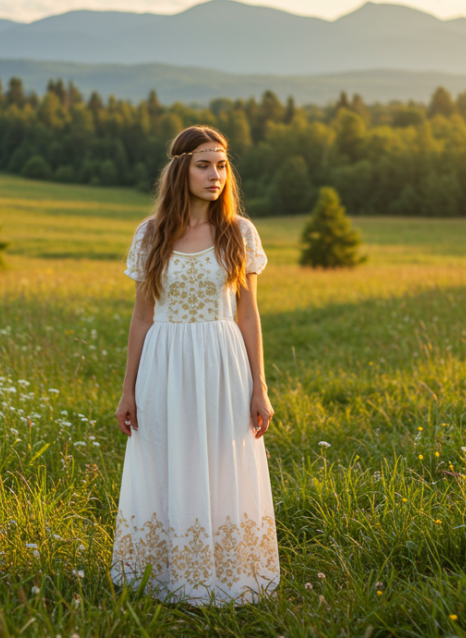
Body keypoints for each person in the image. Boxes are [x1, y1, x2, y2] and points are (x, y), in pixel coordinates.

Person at [110, 125, 279, 605]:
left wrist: (260, 386)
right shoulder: (151, 234)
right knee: (167, 458)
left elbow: (247, 314)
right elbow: (143, 316)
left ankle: (226, 575)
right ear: (180, 169)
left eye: (221, 166)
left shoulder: (239, 232)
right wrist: (128, 390)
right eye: (204, 165)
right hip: (163, 364)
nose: (215, 176)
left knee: (223, 460)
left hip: (223, 363)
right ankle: (167, 575)